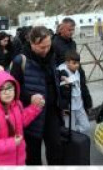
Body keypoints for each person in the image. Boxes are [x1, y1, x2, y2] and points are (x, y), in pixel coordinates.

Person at [10, 26, 63, 166]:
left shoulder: (52, 55)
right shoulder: (20, 61)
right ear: (32, 43)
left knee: (56, 149)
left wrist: (60, 78)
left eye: (48, 46)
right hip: (31, 115)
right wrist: (30, 97)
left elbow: (51, 78)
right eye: (42, 47)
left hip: (52, 111)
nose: (46, 50)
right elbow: (13, 89)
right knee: (33, 155)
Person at [0, 70, 44, 166]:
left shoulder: (17, 105)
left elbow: (22, 120)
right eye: (2, 89)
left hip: (19, 160)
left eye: (10, 87)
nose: (7, 92)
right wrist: (12, 143)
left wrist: (35, 107)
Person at [57, 50, 90, 134]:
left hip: (79, 105)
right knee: (69, 129)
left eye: (78, 63)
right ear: (67, 63)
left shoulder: (77, 71)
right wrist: (63, 108)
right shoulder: (61, 72)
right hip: (68, 108)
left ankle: (75, 134)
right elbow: (60, 93)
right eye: (74, 63)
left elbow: (80, 87)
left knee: (86, 126)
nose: (77, 65)